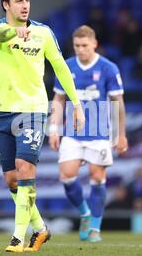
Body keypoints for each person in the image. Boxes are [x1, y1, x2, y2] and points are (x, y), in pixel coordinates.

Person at [0, 0, 85, 252]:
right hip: (2, 109)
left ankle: (18, 237)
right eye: (18, 1)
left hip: (33, 108)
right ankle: (41, 229)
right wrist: (13, 31)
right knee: (12, 179)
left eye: (27, 0)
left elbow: (61, 67)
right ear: (6, 4)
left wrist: (77, 103)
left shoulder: (43, 33)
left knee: (25, 168)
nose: (25, 5)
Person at [49, 25, 128, 242]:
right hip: (73, 133)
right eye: (77, 46)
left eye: (85, 45)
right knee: (66, 176)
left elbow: (117, 102)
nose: (80, 50)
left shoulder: (108, 68)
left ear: (94, 44)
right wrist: (54, 129)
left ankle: (95, 227)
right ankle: (84, 213)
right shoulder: (66, 66)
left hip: (99, 133)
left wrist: (121, 134)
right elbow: (58, 99)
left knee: (97, 176)